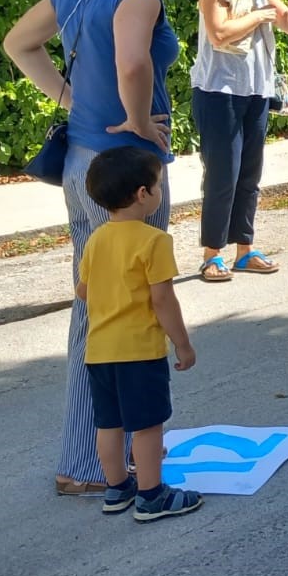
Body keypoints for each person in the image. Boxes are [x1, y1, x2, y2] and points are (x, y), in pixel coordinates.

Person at [3, 0, 184, 497]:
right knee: (134, 306)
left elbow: (18, 43)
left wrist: (71, 99)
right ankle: (117, 460)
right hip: (126, 166)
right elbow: (133, 61)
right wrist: (135, 119)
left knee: (93, 305)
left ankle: (85, 460)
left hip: (81, 160)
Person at [74, 147, 202, 521]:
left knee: (109, 424)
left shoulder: (96, 239)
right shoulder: (154, 241)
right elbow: (162, 299)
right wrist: (183, 344)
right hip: (139, 351)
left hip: (99, 350)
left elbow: (83, 290)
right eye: (158, 184)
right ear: (143, 194)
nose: (159, 191)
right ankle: (151, 495)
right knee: (147, 426)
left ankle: (117, 489)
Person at [189, 0, 288, 283]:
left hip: (256, 92)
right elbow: (220, 33)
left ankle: (244, 251)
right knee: (223, 173)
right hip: (218, 91)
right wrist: (259, 16)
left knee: (249, 175)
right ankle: (212, 255)